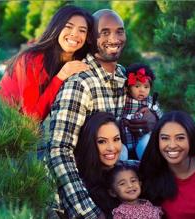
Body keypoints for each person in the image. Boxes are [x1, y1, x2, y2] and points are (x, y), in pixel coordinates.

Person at [47, 9, 128, 219]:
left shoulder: (121, 76)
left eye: (120, 31)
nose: (114, 38)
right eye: (105, 32)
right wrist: (90, 214)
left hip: (109, 189)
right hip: (82, 197)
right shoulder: (80, 83)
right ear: (91, 39)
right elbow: (59, 151)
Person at [0, 5, 93, 121]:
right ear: (56, 28)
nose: (75, 34)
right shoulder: (32, 60)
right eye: (68, 27)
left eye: (82, 30)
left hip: (23, 129)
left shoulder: (78, 61)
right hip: (3, 124)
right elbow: (31, 119)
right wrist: (60, 77)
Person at [139, 110, 195, 219]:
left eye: (180, 138)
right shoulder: (151, 176)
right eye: (165, 138)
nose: (172, 145)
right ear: (157, 141)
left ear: (191, 138)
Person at [75, 112, 123, 219]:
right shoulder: (79, 185)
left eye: (116, 139)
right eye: (102, 141)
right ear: (90, 143)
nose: (111, 147)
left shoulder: (132, 170)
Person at [121, 63, 162, 160]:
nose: (142, 90)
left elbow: (160, 116)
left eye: (146, 87)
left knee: (146, 144)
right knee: (122, 153)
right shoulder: (123, 100)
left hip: (142, 138)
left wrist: (155, 115)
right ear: (128, 88)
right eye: (137, 86)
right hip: (125, 140)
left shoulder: (150, 101)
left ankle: (146, 163)